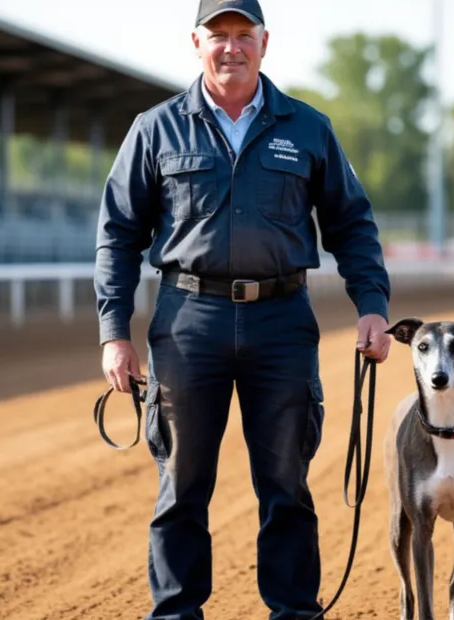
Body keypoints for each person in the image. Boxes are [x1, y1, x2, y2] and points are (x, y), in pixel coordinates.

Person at [93, 0, 392, 617]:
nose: (231, 47)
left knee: (286, 487)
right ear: (196, 43)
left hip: (282, 322)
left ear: (265, 42)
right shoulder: (156, 128)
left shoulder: (307, 128)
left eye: (243, 35)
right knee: (182, 490)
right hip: (186, 323)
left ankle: (293, 612)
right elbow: (118, 233)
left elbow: (352, 223)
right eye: (218, 35)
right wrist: (114, 332)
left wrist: (372, 304)